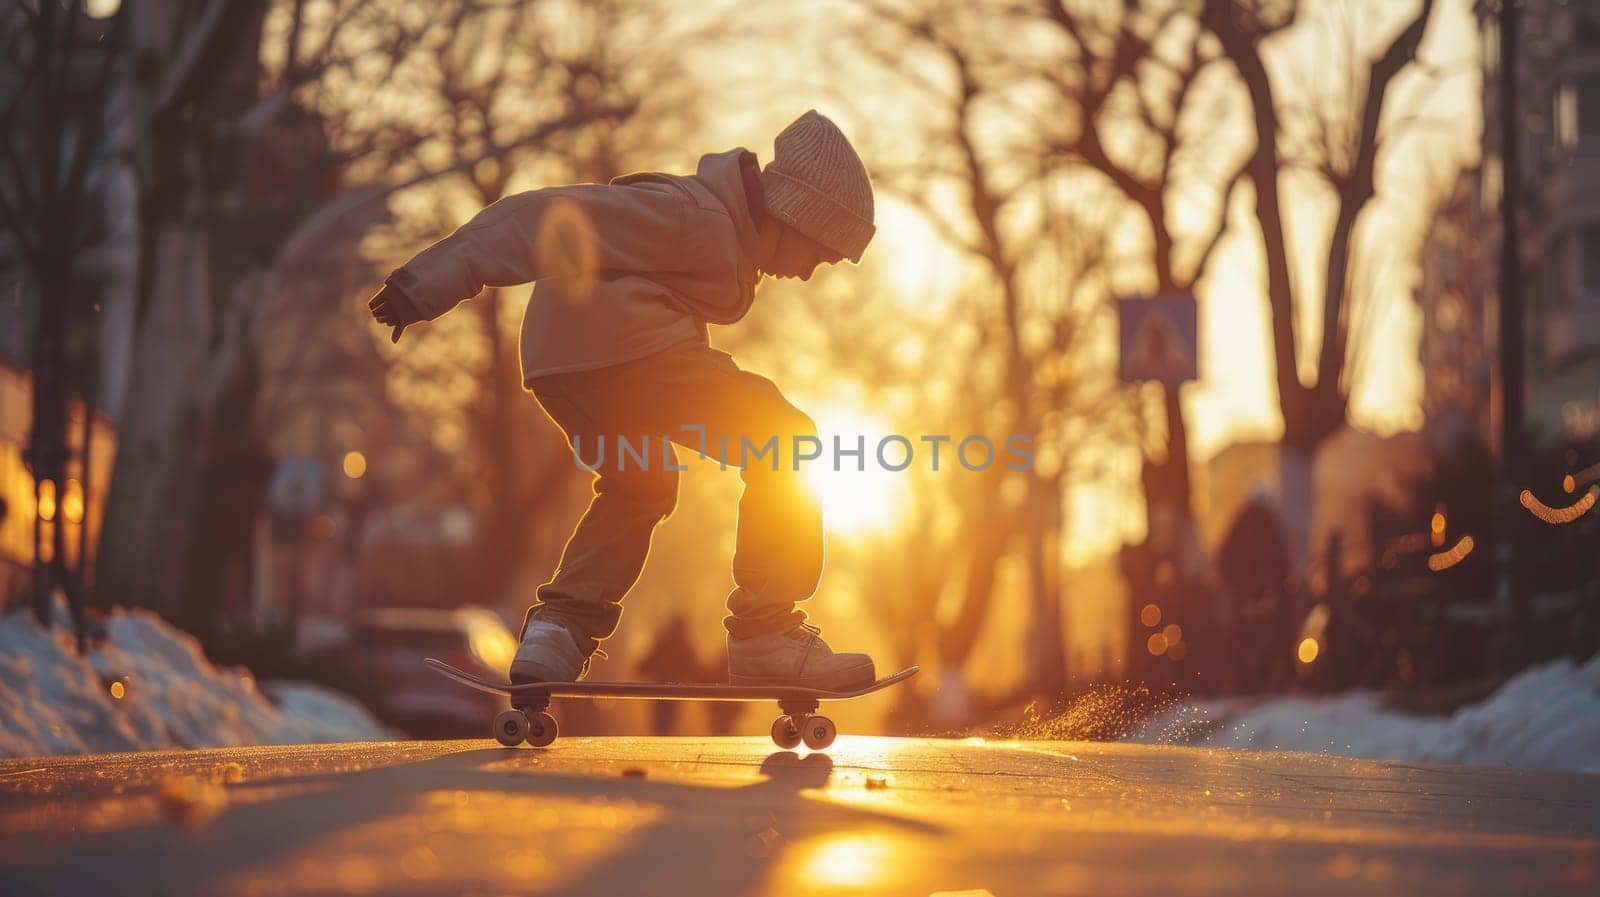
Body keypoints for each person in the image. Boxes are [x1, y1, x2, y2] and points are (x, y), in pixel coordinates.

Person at [367, 110, 876, 691]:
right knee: (786, 438)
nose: (812, 274)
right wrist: (434, 276)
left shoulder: (714, 231)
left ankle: (557, 631)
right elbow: (543, 216)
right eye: (822, 254)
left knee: (643, 483)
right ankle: (766, 633)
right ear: (794, 215)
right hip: (629, 360)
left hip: (568, 371)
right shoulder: (693, 215)